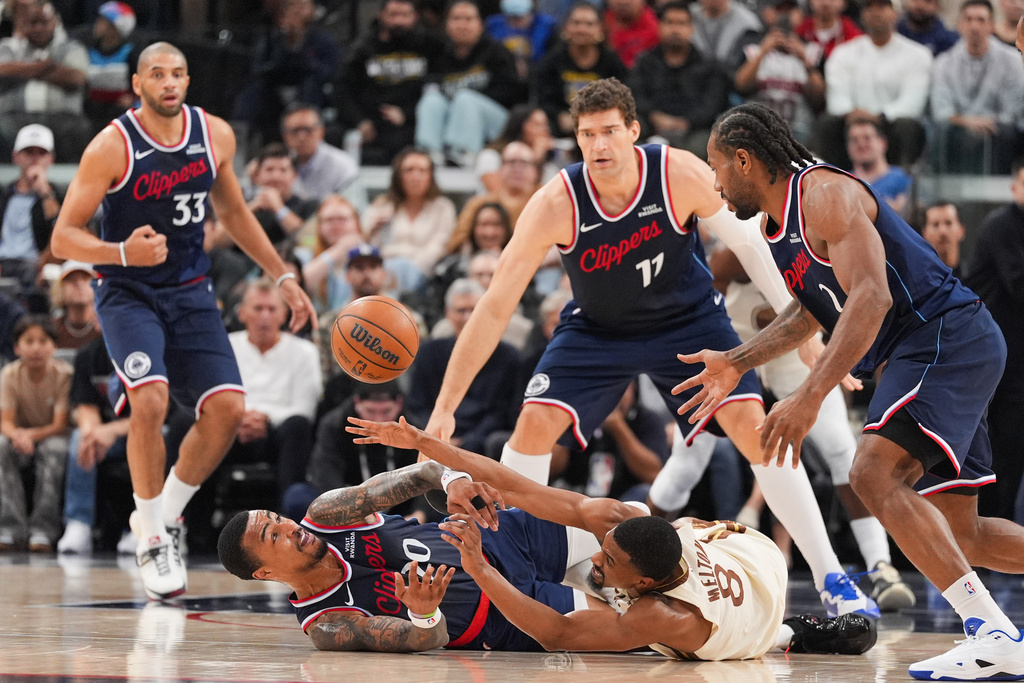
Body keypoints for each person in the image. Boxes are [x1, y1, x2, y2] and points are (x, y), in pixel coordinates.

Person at [424, 77, 878, 618]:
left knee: (756, 432)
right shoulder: (556, 202)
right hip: (597, 330)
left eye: (610, 131)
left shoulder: (677, 172)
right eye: (588, 134)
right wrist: (446, 404)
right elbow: (495, 305)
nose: (600, 145)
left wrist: (804, 332)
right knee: (533, 425)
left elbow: (752, 247)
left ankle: (832, 579)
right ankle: (516, 569)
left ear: (634, 132)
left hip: (687, 323)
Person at [698, 101, 1024, 680]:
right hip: (940, 345)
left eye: (717, 166)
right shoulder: (777, 226)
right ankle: (992, 630)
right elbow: (812, 311)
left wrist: (808, 396)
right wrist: (735, 361)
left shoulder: (822, 194)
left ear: (744, 160)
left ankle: (992, 631)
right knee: (964, 535)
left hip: (941, 333)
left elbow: (871, 297)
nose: (715, 182)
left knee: (871, 473)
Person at [49, 42, 317, 601]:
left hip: (191, 290)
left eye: (177, 74)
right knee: (149, 399)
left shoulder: (214, 134)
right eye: (156, 75)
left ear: (187, 81)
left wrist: (283, 274)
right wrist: (121, 252)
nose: (168, 83)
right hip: (126, 291)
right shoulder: (112, 146)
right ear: (137, 84)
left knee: (227, 409)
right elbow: (62, 236)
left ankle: (160, 519)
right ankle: (149, 535)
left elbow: (234, 212)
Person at [339, 415, 877, 658]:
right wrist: (428, 445)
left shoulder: (661, 617)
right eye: (608, 545)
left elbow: (556, 635)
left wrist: (479, 571)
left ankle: (799, 634)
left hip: (752, 605)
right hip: (739, 552)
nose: (599, 551)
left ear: (645, 583)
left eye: (610, 557)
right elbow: (510, 483)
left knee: (629, 639)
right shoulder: (627, 535)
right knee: (617, 512)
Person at [226, 277, 322, 505]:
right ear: (242, 313)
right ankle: (182, 523)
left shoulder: (304, 351)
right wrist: (240, 419)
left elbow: (306, 408)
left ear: (284, 315)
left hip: (279, 435)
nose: (265, 316)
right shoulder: (227, 346)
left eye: (272, 309)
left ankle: (290, 521)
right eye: (258, 308)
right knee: (190, 422)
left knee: (298, 425)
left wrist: (263, 419)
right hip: (230, 432)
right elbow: (214, 398)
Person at [965, 164, 1024, 526]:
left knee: (1009, 457)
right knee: (998, 458)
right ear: (1015, 187)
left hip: (1014, 362)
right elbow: (1019, 287)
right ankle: (983, 546)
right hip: (997, 365)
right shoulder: (1003, 225)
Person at [815, 0, 932, 170]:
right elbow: (837, 99)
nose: (875, 12)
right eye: (869, 7)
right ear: (862, 15)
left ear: (896, 13)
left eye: (882, 7)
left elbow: (912, 103)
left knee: (908, 127)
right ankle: (828, 179)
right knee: (828, 123)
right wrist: (855, 115)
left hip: (890, 126)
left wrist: (879, 116)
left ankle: (902, 185)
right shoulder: (843, 53)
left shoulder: (918, 55)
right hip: (851, 123)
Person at [409, 278, 521, 456]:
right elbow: (418, 405)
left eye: (473, 310)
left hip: (484, 442)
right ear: (448, 313)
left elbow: (503, 411)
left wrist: (468, 442)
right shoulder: (428, 353)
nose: (467, 317)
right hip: (434, 436)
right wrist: (436, 437)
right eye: (461, 310)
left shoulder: (509, 356)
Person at [280, 380, 418, 521]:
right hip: (344, 509)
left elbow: (425, 475)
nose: (378, 420)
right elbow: (326, 477)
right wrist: (356, 514)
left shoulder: (413, 429)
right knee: (297, 496)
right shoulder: (335, 425)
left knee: (436, 502)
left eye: (386, 411)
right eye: (370, 411)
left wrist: (420, 514)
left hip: (399, 512)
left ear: (399, 404)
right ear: (357, 403)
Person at [414, 0, 524, 166]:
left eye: (468, 19)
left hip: (496, 123)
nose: (462, 25)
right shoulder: (437, 54)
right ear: (446, 25)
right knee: (431, 100)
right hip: (453, 119)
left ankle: (462, 154)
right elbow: (427, 86)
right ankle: (429, 155)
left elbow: (511, 94)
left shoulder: (497, 52)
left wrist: (462, 98)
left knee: (465, 98)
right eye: (456, 19)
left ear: (480, 24)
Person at [0, 314, 71, 552]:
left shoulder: (64, 375)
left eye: (43, 341)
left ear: (54, 346)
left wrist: (30, 436)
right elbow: (6, 422)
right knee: (0, 445)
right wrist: (19, 436)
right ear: (17, 347)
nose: (36, 348)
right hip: (20, 440)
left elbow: (60, 425)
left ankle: (43, 529)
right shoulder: (9, 375)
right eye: (28, 341)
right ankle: (10, 528)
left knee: (55, 449)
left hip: (51, 437)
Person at [929, 0, 1024, 175]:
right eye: (968, 19)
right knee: (944, 130)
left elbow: (1012, 112)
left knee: (1007, 131)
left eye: (981, 20)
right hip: (957, 132)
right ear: (959, 25)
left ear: (992, 25)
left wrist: (981, 122)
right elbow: (941, 111)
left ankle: (1001, 188)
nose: (974, 26)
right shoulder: (943, 63)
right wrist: (967, 122)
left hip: (999, 133)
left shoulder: (1012, 61)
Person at [630, 1, 733, 158]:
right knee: (628, 129)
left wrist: (687, 122)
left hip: (694, 130)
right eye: (669, 22)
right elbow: (635, 96)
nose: (675, 29)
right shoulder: (645, 62)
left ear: (691, 29)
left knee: (704, 144)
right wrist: (654, 116)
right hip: (652, 124)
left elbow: (713, 104)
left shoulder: (709, 65)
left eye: (681, 23)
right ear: (659, 27)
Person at [0, 2, 92, 162]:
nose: (38, 28)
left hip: (62, 118)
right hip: (13, 116)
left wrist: (21, 69)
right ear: (23, 25)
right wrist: (45, 65)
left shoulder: (71, 47)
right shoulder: (8, 47)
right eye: (33, 23)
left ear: (54, 22)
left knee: (80, 128)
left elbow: (76, 78)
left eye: (44, 22)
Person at [363, 147, 457, 283]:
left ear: (430, 176)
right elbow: (365, 241)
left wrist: (409, 266)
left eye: (422, 171)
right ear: (398, 176)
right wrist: (373, 228)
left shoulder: (443, 208)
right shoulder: (382, 205)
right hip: (382, 273)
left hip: (426, 275)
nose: (415, 177)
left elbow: (440, 246)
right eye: (409, 170)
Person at [534, 2, 628, 138]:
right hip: (560, 126)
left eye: (589, 24)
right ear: (566, 27)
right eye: (576, 23)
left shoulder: (612, 61)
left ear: (600, 29)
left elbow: (622, 99)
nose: (581, 29)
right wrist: (560, 115)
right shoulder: (551, 61)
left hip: (603, 125)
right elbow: (543, 101)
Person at [0, 123, 63, 294]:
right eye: (29, 152)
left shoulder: (59, 195)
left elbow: (60, 228)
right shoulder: (4, 195)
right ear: (16, 157)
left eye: (41, 153)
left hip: (36, 268)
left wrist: (45, 193)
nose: (35, 158)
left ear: (51, 159)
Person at [280, 104, 359, 204]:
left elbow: (352, 209)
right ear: (284, 136)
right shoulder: (277, 165)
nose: (301, 137)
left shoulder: (343, 164)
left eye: (307, 130)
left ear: (321, 131)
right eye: (295, 131)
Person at [846, 118, 912, 216]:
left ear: (882, 143)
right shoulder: (844, 182)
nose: (861, 144)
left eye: (867, 138)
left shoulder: (902, 179)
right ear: (848, 148)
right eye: (854, 140)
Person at [52, 260, 102, 350]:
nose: (79, 284)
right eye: (71, 280)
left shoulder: (105, 328)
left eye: (85, 278)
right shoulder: (53, 329)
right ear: (60, 289)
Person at [921, 202, 966, 279]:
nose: (942, 231)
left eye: (948, 223)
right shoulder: (918, 281)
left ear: (961, 231)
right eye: (935, 225)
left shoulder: (973, 280)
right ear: (924, 234)